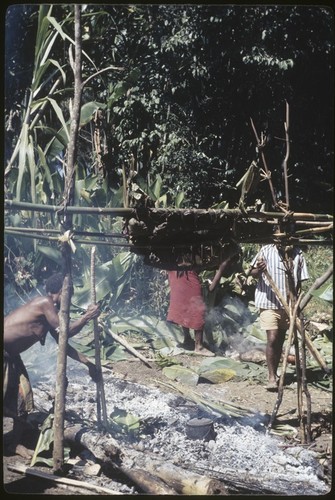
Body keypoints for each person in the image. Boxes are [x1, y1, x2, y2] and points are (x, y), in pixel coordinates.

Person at [3, 272, 100, 458]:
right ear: (56, 292)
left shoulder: (51, 315)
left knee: (23, 401)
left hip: (12, 357)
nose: (70, 297)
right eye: (67, 292)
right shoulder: (45, 303)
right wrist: (87, 317)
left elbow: (63, 341)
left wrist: (88, 363)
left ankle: (13, 445)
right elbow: (66, 330)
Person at [250, 241, 309, 391]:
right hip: (268, 302)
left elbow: (299, 283)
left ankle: (277, 372)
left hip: (288, 305)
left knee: (281, 340)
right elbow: (251, 272)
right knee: (273, 338)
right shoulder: (265, 250)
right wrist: (259, 270)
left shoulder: (297, 253)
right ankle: (271, 377)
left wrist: (296, 305)